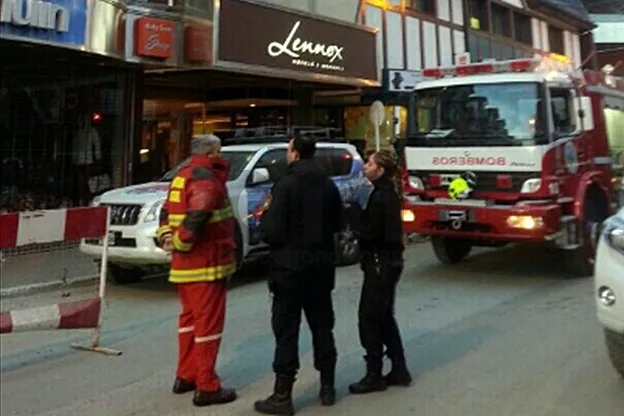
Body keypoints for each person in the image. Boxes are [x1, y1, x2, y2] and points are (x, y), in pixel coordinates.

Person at [254, 134, 344, 415]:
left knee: (286, 331)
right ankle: (327, 387)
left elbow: (271, 231)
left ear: (294, 154)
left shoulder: (286, 184)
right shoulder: (327, 184)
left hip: (289, 269)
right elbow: (338, 224)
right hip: (319, 268)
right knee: (322, 327)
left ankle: (283, 396)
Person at [156, 134, 238, 407]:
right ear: (213, 151)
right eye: (219, 149)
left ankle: (185, 375)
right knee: (208, 326)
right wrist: (182, 241)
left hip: (186, 265)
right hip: (207, 262)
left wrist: (166, 237)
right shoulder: (207, 178)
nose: (221, 153)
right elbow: (199, 213)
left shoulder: (182, 174)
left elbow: (167, 210)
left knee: (189, 321)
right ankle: (207, 386)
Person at [349, 149, 412, 395]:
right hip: (389, 262)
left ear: (381, 170)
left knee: (370, 317)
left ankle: (374, 373)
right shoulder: (386, 194)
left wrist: (352, 215)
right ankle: (398, 368)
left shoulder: (382, 197)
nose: (365, 166)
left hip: (380, 264)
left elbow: (371, 232)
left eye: (370, 163)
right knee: (384, 316)